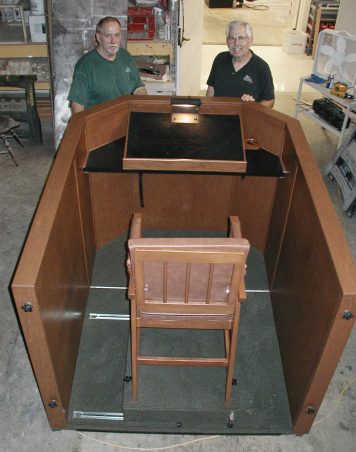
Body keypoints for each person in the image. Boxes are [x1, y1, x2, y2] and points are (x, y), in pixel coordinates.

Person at [68, 16, 147, 114]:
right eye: (108, 36)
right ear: (98, 37)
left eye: (116, 35)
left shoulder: (125, 57)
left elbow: (139, 88)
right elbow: (77, 106)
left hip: (125, 118)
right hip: (100, 123)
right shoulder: (85, 66)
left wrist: (144, 111)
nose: (113, 41)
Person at [206, 20, 274, 108]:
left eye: (241, 38)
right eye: (231, 38)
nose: (236, 43)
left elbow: (270, 101)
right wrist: (206, 111)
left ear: (250, 40)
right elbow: (211, 90)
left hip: (245, 119)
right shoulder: (220, 59)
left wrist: (254, 107)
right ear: (227, 41)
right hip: (217, 116)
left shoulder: (261, 67)